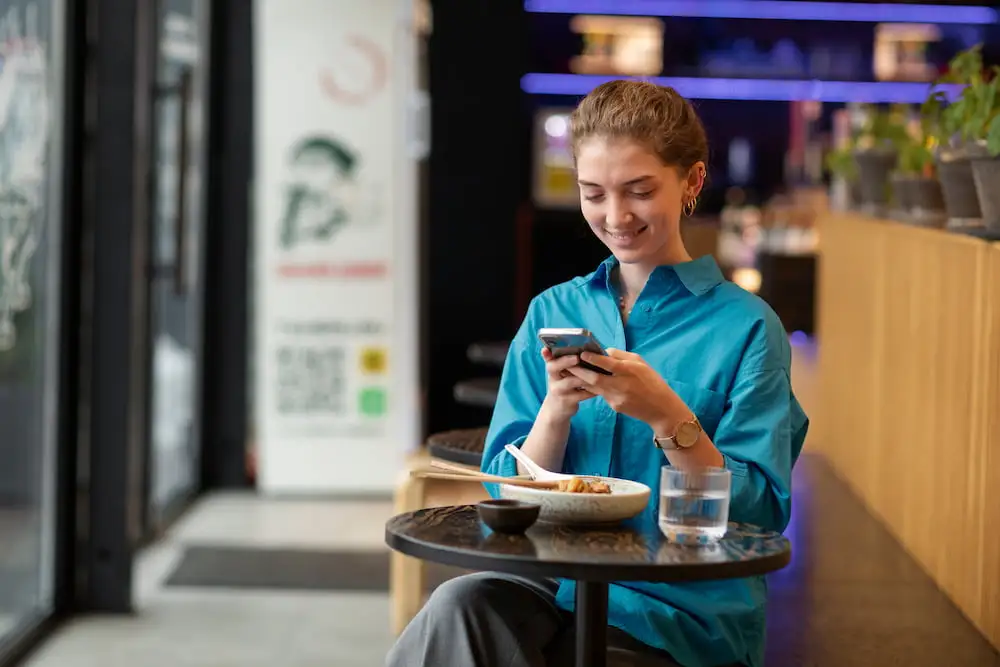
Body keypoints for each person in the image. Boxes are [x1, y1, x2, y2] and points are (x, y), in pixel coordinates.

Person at [387, 80, 808, 667]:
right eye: (593, 194)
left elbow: (761, 510)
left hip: (675, 610)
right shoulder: (553, 312)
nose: (615, 217)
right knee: (458, 606)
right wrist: (555, 411)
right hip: (551, 583)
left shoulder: (747, 329)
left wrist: (669, 416)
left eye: (638, 191)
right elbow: (499, 486)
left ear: (692, 181)